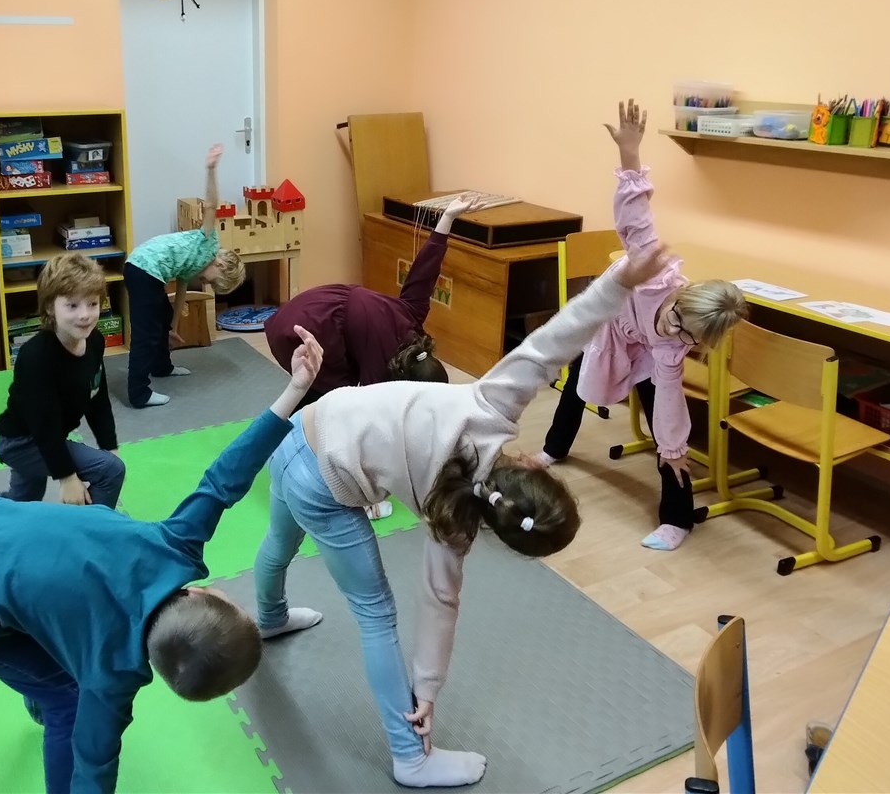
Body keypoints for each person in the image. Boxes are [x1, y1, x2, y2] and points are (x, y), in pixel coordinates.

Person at [253, 245, 671, 788]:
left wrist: (621, 281)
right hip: (321, 477)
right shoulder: (453, 521)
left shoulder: (493, 405)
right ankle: (410, 757)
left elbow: (557, 339)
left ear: (531, 468)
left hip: (295, 428)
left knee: (279, 541)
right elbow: (440, 605)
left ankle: (269, 617)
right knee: (375, 614)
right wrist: (427, 691)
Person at [0, 325, 324, 794]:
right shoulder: (108, 679)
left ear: (199, 592)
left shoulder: (175, 544)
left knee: (53, 643)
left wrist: (295, 389)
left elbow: (225, 478)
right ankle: (42, 694)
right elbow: (94, 767)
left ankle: (37, 685)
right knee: (67, 698)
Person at [522, 99, 748, 551]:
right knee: (578, 380)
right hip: (614, 324)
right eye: (678, 320)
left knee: (668, 433)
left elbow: (671, 407)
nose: (676, 333)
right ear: (680, 296)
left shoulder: (671, 347)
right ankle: (552, 450)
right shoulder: (652, 273)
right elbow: (635, 214)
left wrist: (674, 448)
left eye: (689, 337)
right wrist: (629, 151)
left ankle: (677, 519)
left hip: (643, 348)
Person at [0, 253, 125, 529]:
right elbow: (44, 424)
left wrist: (110, 445)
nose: (85, 315)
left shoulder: (95, 341)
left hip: (47, 437)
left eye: (92, 303)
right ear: (50, 307)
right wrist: (67, 477)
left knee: (20, 501)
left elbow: (97, 398)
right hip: (22, 442)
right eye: (72, 305)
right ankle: (91, 533)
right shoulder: (36, 356)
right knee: (110, 470)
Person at [264, 193, 487, 409]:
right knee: (335, 403)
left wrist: (447, 217)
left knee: (333, 394)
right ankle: (296, 419)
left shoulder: (412, 315)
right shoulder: (380, 367)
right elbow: (372, 412)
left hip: (313, 308)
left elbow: (426, 270)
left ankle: (297, 413)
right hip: (300, 331)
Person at [123, 144, 245, 408]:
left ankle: (162, 366)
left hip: (147, 272)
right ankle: (138, 393)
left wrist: (173, 328)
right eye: (211, 281)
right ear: (220, 264)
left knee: (163, 316)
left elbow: (179, 293)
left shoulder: (192, 266)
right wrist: (211, 169)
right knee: (146, 334)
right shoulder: (209, 242)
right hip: (143, 270)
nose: (205, 283)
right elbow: (211, 205)